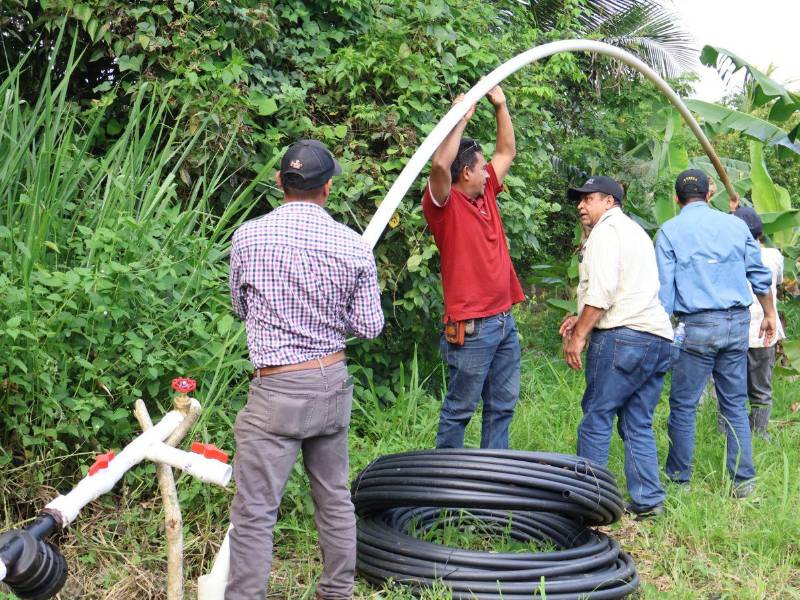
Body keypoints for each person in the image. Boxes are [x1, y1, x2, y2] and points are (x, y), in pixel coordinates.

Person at [227, 139, 384, 599]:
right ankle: (337, 593)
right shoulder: (352, 246)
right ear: (328, 188)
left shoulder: (248, 236)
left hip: (275, 388)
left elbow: (240, 305)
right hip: (329, 382)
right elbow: (370, 326)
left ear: (280, 181)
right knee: (334, 498)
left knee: (256, 511)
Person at [655, 169, 776, 498]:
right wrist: (768, 314)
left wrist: (660, 336)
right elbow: (759, 276)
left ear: (677, 198)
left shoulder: (669, 231)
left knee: (683, 405)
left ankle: (679, 482)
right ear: (710, 194)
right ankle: (742, 483)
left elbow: (664, 295)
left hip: (696, 326)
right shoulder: (736, 226)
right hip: (736, 324)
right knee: (735, 404)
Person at [560, 176, 673, 519]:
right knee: (637, 422)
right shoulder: (635, 231)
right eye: (579, 200)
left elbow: (604, 292)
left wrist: (579, 335)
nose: (581, 205)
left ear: (609, 202)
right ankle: (649, 502)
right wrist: (577, 317)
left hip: (623, 339)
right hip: (656, 337)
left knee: (596, 417)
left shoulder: (605, 232)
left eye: (588, 199)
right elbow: (625, 288)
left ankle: (589, 504)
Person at [422, 85, 525, 449]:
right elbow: (438, 165)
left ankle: (491, 482)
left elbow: (507, 150)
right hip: (473, 327)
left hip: (503, 321)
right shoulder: (443, 205)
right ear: (465, 173)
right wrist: (460, 119)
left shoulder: (488, 195)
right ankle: (447, 484)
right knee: (461, 408)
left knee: (502, 405)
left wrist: (501, 105)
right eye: (482, 168)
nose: (488, 173)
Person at [731, 206, 786, 439]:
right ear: (760, 234)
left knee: (731, 390)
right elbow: (779, 281)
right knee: (761, 389)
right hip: (765, 330)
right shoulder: (774, 256)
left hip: (735, 330)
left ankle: (729, 433)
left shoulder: (731, 256)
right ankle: (759, 433)